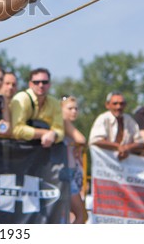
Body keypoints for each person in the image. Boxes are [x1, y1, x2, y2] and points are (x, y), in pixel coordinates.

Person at [10, 68, 64, 147]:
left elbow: (60, 130)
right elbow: (17, 130)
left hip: (41, 152)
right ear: (30, 84)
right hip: (17, 150)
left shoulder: (54, 103)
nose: (41, 85)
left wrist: (54, 134)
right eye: (36, 82)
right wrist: (45, 133)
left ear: (49, 84)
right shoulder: (21, 99)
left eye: (44, 82)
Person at [89, 91, 143, 160]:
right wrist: (118, 146)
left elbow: (140, 143)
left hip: (125, 164)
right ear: (107, 105)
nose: (118, 107)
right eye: (115, 104)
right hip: (105, 163)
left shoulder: (129, 120)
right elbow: (95, 140)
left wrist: (127, 148)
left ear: (125, 105)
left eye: (121, 104)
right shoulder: (103, 119)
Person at [61, 95, 86, 224]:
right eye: (69, 108)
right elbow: (81, 139)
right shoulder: (63, 123)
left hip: (70, 173)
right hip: (64, 175)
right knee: (81, 215)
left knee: (68, 215)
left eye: (76, 108)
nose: (74, 111)